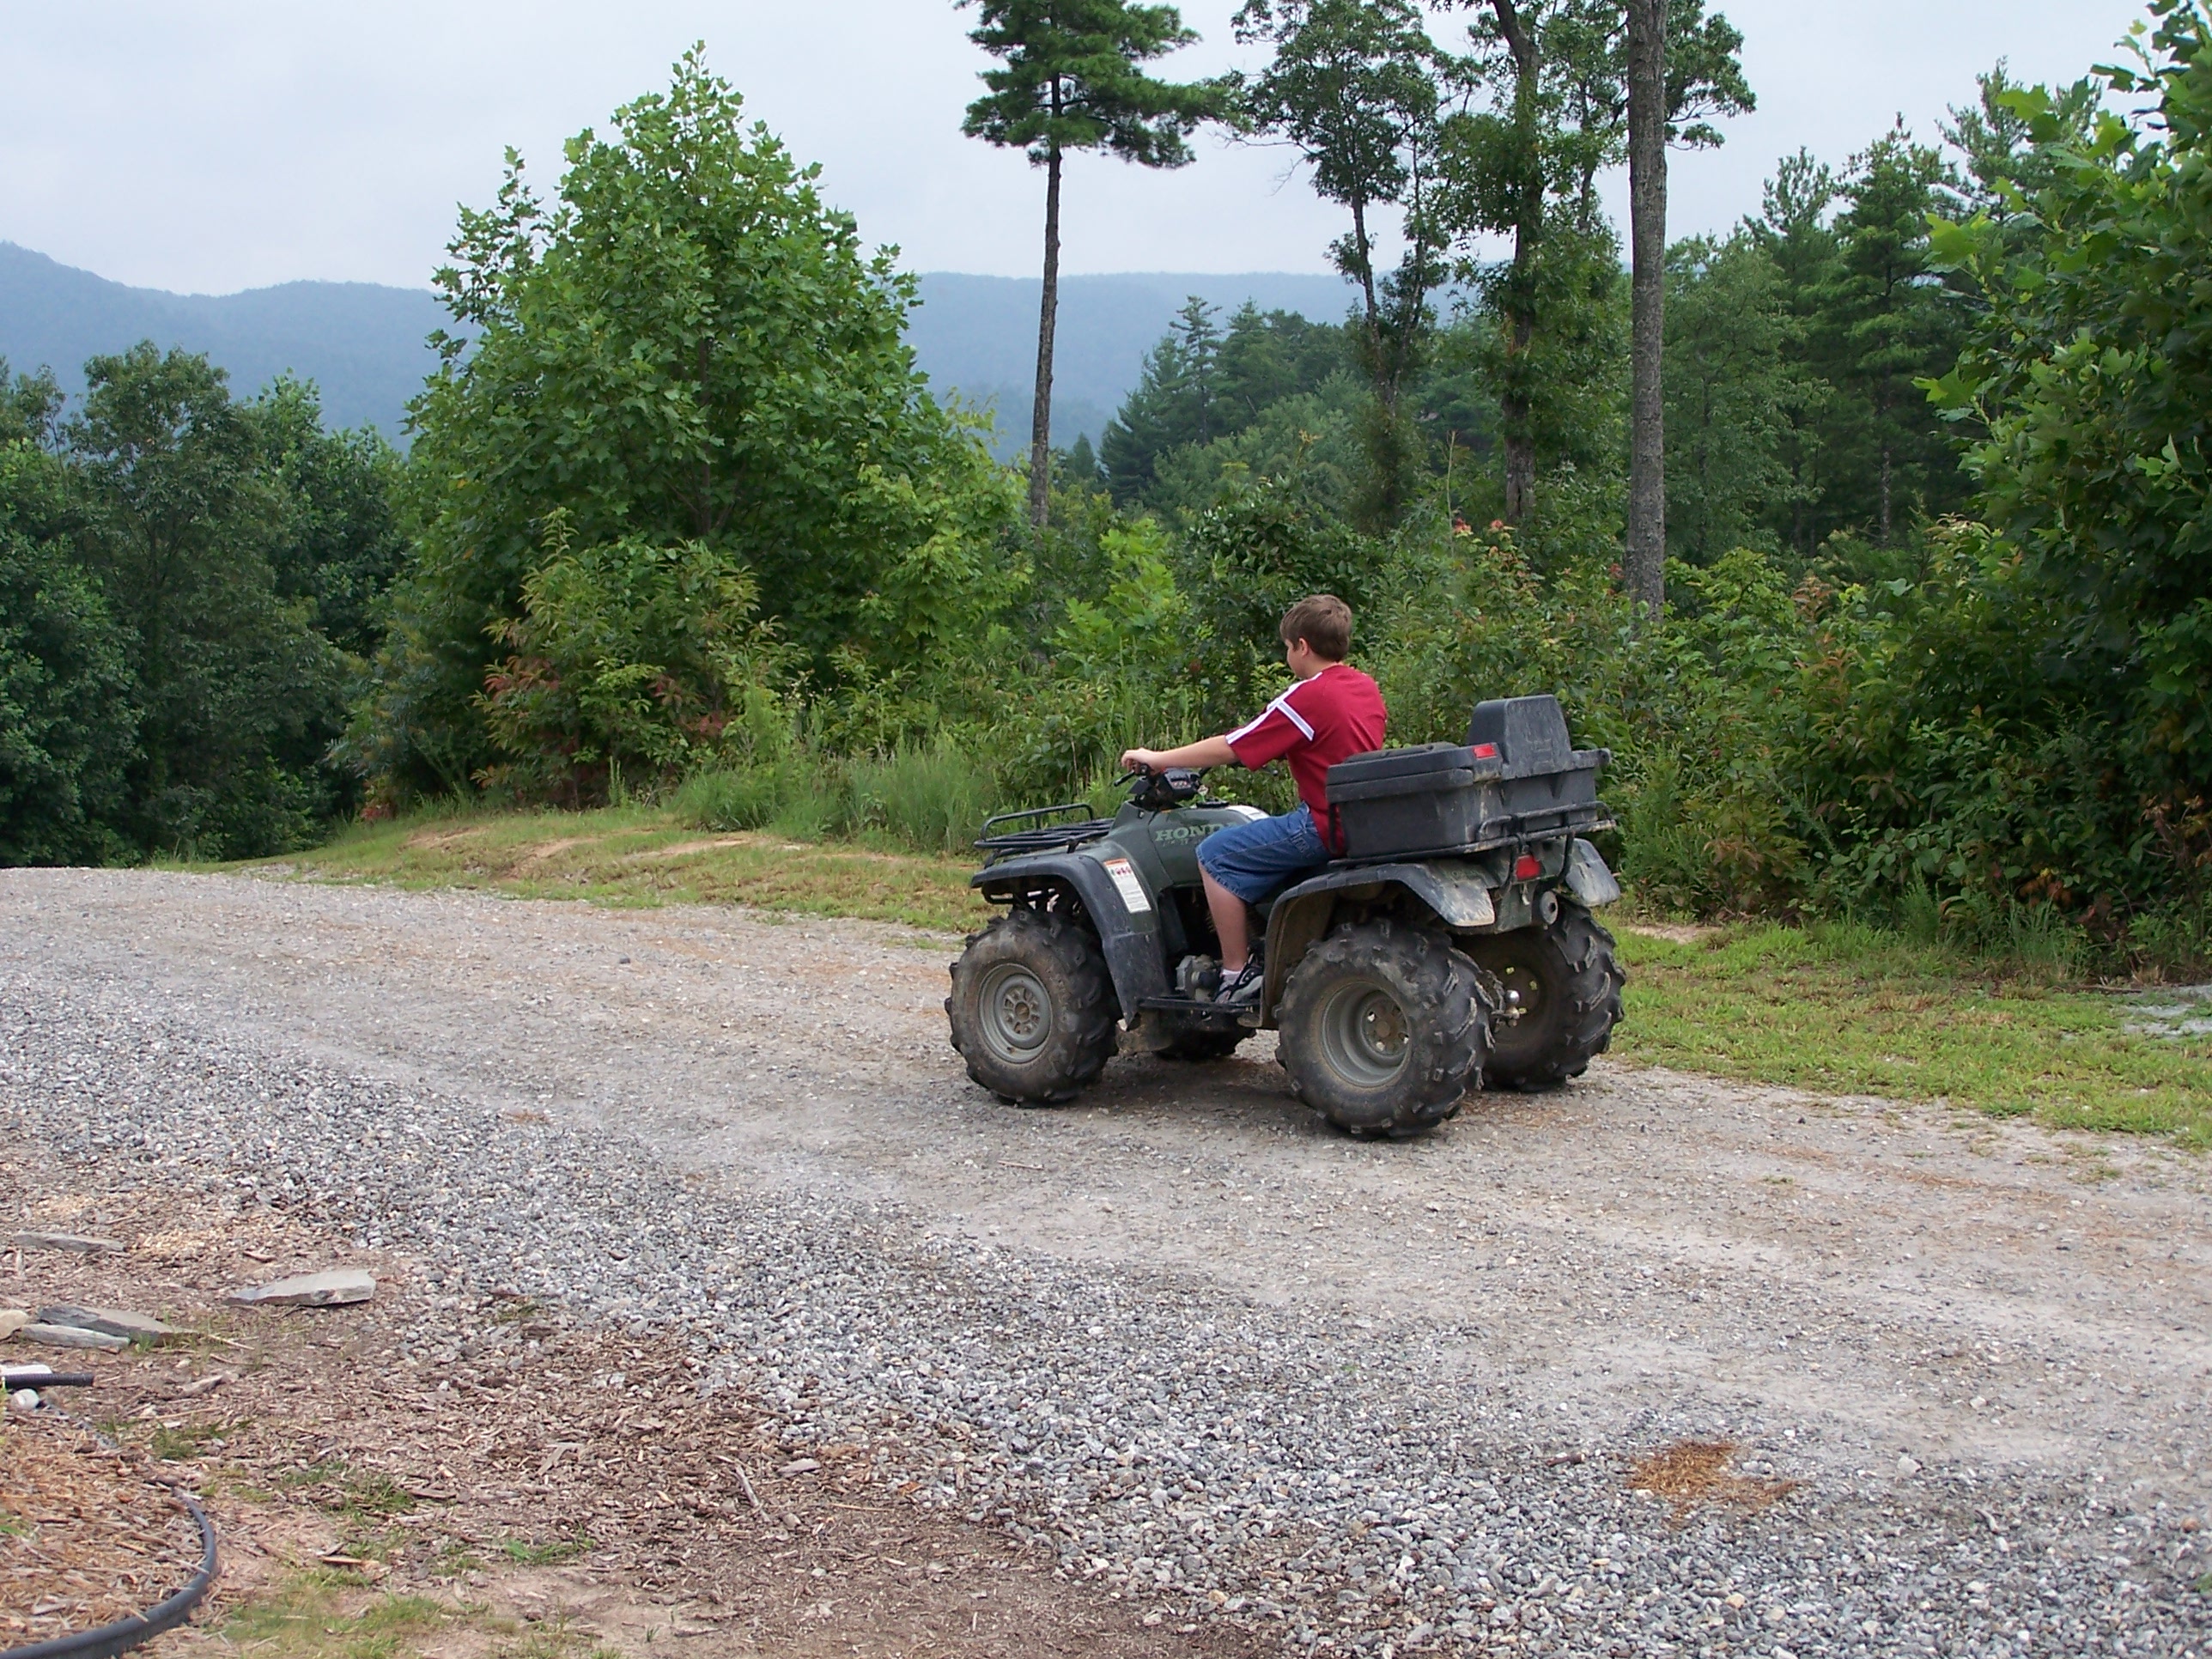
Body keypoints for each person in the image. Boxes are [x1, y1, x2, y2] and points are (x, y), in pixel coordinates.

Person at [1120, 593, 1386, 1005]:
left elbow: (1233, 745)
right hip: (1362, 820)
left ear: (1302, 646)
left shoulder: (1307, 697)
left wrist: (1158, 759)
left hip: (1321, 824)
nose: (1287, 654)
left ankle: (1235, 973)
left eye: (1287, 646)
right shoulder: (1363, 687)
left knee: (1215, 854)